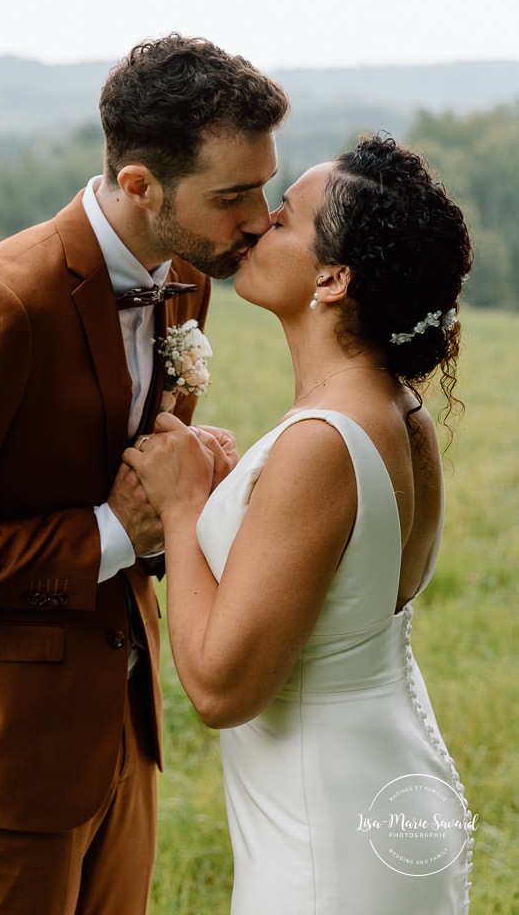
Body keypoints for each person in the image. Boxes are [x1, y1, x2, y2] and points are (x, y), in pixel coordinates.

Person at [0, 34, 289, 915]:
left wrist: (192, 498)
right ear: (139, 186)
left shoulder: (183, 278)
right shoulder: (8, 300)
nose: (259, 218)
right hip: (3, 758)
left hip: (123, 728)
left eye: (266, 187)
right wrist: (117, 531)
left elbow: (138, 481)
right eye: (234, 196)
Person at [125, 135, 475, 914]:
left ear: (333, 277)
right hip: (381, 783)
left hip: (326, 830)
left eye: (282, 221)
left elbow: (219, 689)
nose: (256, 227)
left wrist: (183, 510)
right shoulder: (398, 413)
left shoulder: (320, 442)